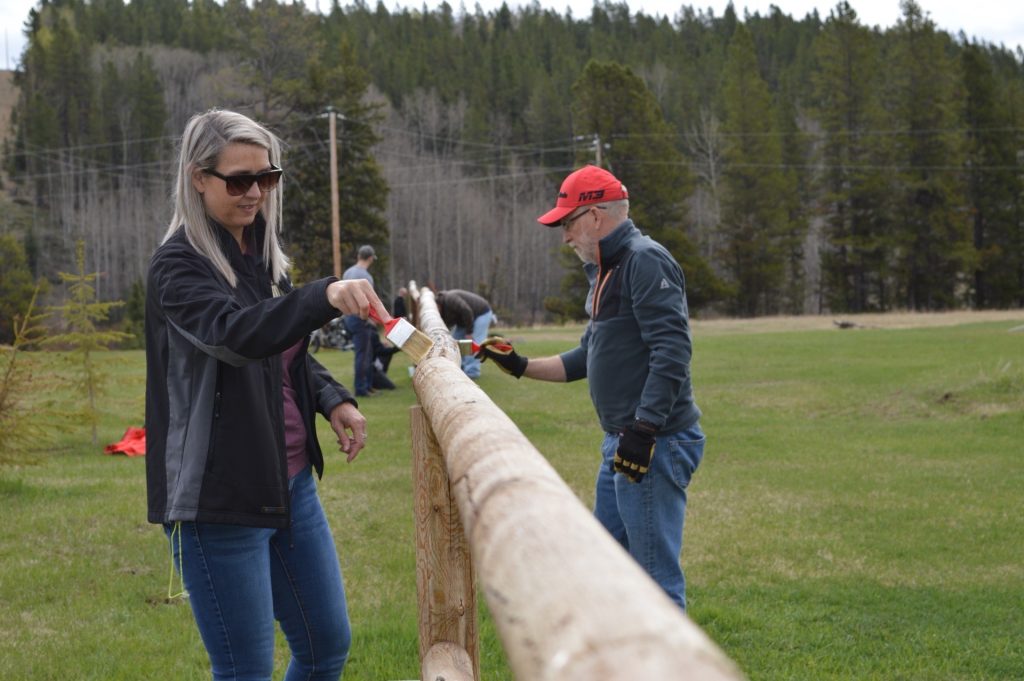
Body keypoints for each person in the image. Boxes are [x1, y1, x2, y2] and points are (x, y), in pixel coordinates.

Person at [145, 109, 392, 681]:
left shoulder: (259, 255)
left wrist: (332, 398)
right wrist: (323, 295)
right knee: (245, 671)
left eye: (267, 177)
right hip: (218, 499)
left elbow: (285, 353)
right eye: (238, 179)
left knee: (325, 646)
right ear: (197, 178)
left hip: (291, 484)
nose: (255, 192)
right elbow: (237, 338)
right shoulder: (177, 267)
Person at [476, 165, 704, 611]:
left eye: (568, 223)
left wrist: (644, 430)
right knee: (607, 570)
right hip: (622, 444)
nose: (565, 236)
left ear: (596, 216)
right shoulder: (606, 269)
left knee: (655, 587)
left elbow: (672, 351)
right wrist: (520, 365)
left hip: (652, 445)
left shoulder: (643, 260)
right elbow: (588, 356)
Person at [342, 245, 378, 396]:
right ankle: (361, 389)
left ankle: (367, 385)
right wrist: (372, 319)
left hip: (347, 317)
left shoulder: (348, 272)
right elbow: (368, 302)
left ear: (358, 256)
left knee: (365, 353)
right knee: (363, 355)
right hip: (360, 318)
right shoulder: (366, 277)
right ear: (370, 258)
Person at [436, 288, 494, 379]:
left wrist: (469, 332)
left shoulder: (450, 299)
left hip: (481, 313)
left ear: (438, 305)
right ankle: (460, 366)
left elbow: (466, 311)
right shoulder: (442, 311)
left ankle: (472, 371)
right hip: (465, 320)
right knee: (454, 342)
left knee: (472, 343)